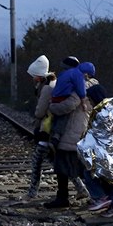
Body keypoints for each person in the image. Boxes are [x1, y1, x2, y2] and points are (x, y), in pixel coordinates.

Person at [24, 55, 89, 201]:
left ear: (39, 76)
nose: (32, 79)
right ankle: (81, 188)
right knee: (59, 163)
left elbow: (40, 112)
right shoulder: (56, 83)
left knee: (37, 162)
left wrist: (37, 114)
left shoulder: (46, 88)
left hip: (47, 131)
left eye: (33, 76)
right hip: (56, 131)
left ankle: (32, 193)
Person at [43, 62, 97, 209]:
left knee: (63, 167)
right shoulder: (93, 86)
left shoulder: (81, 88)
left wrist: (52, 107)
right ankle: (96, 197)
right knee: (80, 167)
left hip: (71, 130)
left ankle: (63, 198)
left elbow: (69, 105)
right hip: (81, 129)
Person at [78, 84, 113, 218]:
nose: (89, 102)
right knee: (108, 179)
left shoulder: (102, 112)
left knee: (89, 173)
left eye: (90, 99)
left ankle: (100, 197)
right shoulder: (108, 109)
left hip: (104, 153)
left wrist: (83, 143)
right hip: (112, 151)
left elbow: (96, 133)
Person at [49, 56, 87, 144]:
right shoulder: (77, 73)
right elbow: (81, 88)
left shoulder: (62, 74)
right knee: (64, 115)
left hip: (54, 99)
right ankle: (56, 137)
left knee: (56, 117)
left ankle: (51, 135)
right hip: (63, 98)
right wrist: (83, 100)